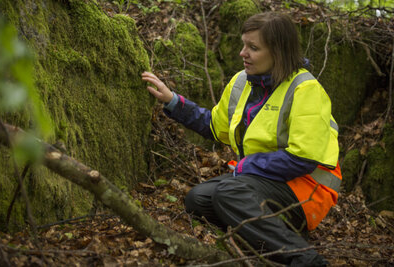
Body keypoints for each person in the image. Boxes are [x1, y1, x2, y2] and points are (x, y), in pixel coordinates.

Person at [142, 12, 341, 266]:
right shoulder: (241, 82)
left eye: (253, 48)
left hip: (307, 190)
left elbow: (303, 158)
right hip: (261, 181)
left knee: (228, 193)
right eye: (244, 44)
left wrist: (247, 166)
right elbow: (215, 127)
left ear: (278, 52)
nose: (242, 53)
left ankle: (305, 258)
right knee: (198, 199)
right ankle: (273, 236)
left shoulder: (305, 88)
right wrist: (172, 101)